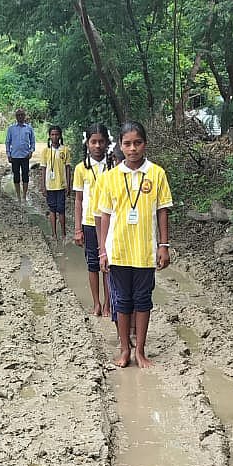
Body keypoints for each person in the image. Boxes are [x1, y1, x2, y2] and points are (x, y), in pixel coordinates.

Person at [95, 120, 173, 370]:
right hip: (118, 251)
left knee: (142, 301)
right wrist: (103, 250)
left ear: (145, 144)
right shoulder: (110, 178)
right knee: (121, 301)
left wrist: (164, 245)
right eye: (127, 144)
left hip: (144, 251)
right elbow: (105, 216)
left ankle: (140, 350)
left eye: (137, 143)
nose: (132, 149)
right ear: (120, 146)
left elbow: (162, 211)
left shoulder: (157, 174)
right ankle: (124, 349)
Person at [72, 122, 112, 316]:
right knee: (93, 265)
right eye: (93, 142)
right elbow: (78, 200)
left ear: (107, 143)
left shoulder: (113, 166)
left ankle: (108, 303)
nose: (97, 146)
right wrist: (77, 228)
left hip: (109, 223)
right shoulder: (81, 169)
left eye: (101, 142)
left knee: (108, 264)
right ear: (87, 144)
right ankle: (96, 302)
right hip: (88, 223)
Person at [40, 124, 71, 239]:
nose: (54, 137)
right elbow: (43, 169)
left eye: (57, 134)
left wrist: (69, 184)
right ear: (49, 136)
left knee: (61, 209)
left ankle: (63, 233)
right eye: (52, 134)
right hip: (50, 185)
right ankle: (54, 233)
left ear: (60, 136)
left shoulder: (65, 150)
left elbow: (68, 168)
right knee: (52, 209)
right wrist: (43, 185)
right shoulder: (45, 151)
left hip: (61, 185)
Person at [5, 107, 35, 203]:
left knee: (25, 176)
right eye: (18, 115)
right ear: (16, 117)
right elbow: (7, 142)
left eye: (22, 115)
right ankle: (18, 196)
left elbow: (33, 141)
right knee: (16, 176)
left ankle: (24, 196)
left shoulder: (29, 128)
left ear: (24, 116)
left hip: (25, 156)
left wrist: (31, 151)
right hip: (14, 156)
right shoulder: (11, 129)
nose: (20, 117)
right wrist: (8, 154)